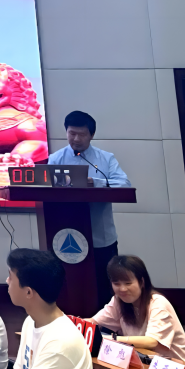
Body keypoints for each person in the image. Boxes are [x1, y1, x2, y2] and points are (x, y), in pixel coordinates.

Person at [46, 111, 129, 306]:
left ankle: (108, 322)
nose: (76, 139)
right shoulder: (56, 159)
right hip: (67, 235)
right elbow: (48, 190)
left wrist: (96, 183)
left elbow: (124, 184)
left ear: (91, 135)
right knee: (70, 286)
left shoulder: (105, 158)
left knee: (105, 287)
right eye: (72, 133)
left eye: (81, 134)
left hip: (101, 236)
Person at [91, 254, 185, 361]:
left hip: (175, 367)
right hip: (142, 363)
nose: (122, 289)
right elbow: (93, 322)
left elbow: (152, 341)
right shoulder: (118, 301)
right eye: (116, 284)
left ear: (142, 282)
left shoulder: (158, 303)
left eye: (128, 283)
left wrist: (113, 339)